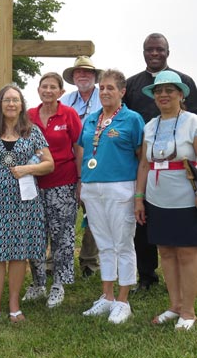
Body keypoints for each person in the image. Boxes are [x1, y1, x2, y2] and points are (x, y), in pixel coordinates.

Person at [0, 84, 54, 322]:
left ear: (21, 105)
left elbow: (49, 164)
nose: (11, 104)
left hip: (24, 202)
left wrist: (27, 168)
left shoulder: (32, 131)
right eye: (6, 100)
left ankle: (14, 304)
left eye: (15, 100)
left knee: (19, 252)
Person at [124, 33, 197, 292]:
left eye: (159, 49)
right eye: (149, 50)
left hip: (183, 180)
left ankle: (184, 293)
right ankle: (147, 276)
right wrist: (139, 195)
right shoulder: (132, 85)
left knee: (184, 242)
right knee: (148, 233)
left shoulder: (186, 83)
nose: (154, 54)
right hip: (149, 172)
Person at [79, 69, 144, 324]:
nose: (105, 92)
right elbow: (84, 151)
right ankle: (106, 296)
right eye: (102, 88)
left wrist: (139, 194)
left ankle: (123, 300)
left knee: (123, 244)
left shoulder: (132, 119)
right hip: (93, 186)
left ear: (122, 91)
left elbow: (142, 159)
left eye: (110, 88)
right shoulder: (92, 119)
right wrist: (81, 182)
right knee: (104, 243)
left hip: (121, 187)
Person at [135, 71, 197, 331]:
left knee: (186, 253)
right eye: (158, 91)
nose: (163, 95)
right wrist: (139, 197)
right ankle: (174, 305)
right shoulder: (150, 125)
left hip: (185, 198)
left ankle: (188, 311)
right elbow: (145, 164)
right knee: (166, 253)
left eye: (169, 90)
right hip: (157, 197)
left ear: (180, 94)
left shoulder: (193, 122)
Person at [23, 72, 82, 308]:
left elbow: (79, 148)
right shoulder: (28, 116)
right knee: (34, 235)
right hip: (33, 186)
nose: (48, 91)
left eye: (53, 87)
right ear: (38, 90)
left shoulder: (69, 114)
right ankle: (38, 283)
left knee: (62, 236)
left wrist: (80, 180)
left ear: (61, 92)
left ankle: (58, 283)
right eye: (44, 87)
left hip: (63, 183)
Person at [60, 56, 102, 278]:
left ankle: (89, 262)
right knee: (62, 214)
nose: (82, 75)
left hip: (98, 163)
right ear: (73, 77)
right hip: (67, 163)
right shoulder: (65, 100)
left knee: (93, 213)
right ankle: (55, 260)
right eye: (78, 72)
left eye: (87, 72)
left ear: (95, 77)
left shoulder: (103, 98)